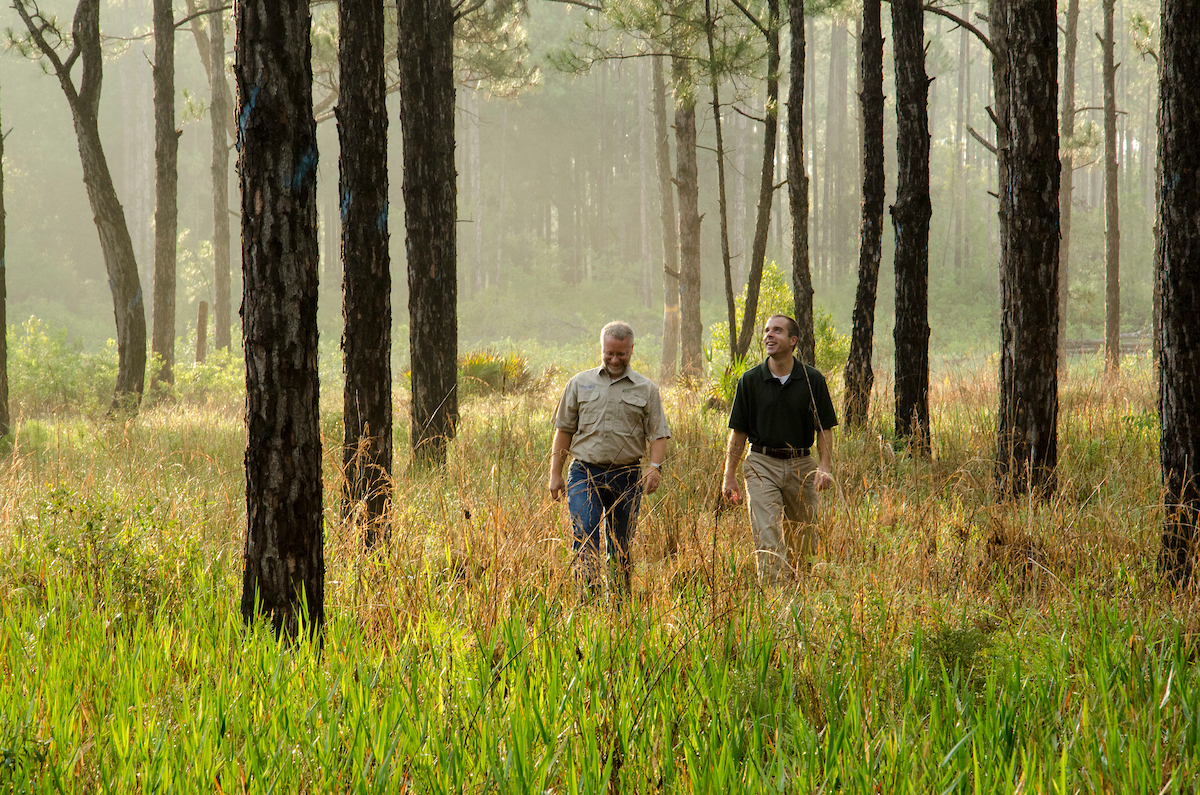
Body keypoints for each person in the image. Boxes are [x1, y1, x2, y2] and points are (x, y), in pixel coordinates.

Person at [549, 322, 671, 593]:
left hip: (627, 475)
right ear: (601, 349)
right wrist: (555, 474)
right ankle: (587, 599)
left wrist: (654, 467)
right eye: (609, 354)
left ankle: (618, 602)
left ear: (631, 350)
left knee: (621, 543)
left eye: (621, 354)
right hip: (584, 471)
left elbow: (658, 434)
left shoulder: (646, 389)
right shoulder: (579, 383)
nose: (615, 359)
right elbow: (564, 431)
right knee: (586, 530)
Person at [721, 315, 837, 583]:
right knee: (767, 534)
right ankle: (772, 600)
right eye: (766, 331)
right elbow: (738, 433)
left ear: (793, 340)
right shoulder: (750, 380)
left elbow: (824, 429)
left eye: (777, 331)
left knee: (805, 536)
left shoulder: (812, 380)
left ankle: (803, 593)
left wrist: (824, 468)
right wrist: (729, 475)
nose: (769, 336)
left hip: (801, 465)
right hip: (761, 464)